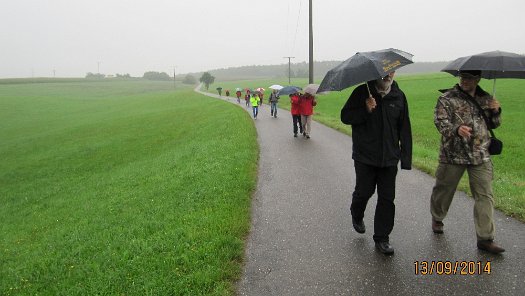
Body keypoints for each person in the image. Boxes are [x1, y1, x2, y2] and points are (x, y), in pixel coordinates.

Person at [430, 70, 504, 254]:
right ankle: (437, 217)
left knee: (485, 195)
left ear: (477, 79)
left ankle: (485, 238)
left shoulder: (486, 98)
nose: (464, 81)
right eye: (462, 77)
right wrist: (456, 130)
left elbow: (494, 124)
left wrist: (495, 111)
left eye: (469, 78)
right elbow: (440, 122)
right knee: (444, 189)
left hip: (480, 155)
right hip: (453, 154)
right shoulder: (447, 98)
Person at [340, 71, 412, 255]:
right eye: (384, 72)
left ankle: (382, 238)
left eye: (391, 72)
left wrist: (405, 158)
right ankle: (357, 213)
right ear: (376, 74)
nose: (388, 75)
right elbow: (345, 117)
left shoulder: (399, 96)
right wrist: (365, 109)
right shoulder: (361, 92)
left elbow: (404, 128)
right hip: (365, 156)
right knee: (364, 192)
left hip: (389, 157)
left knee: (387, 198)